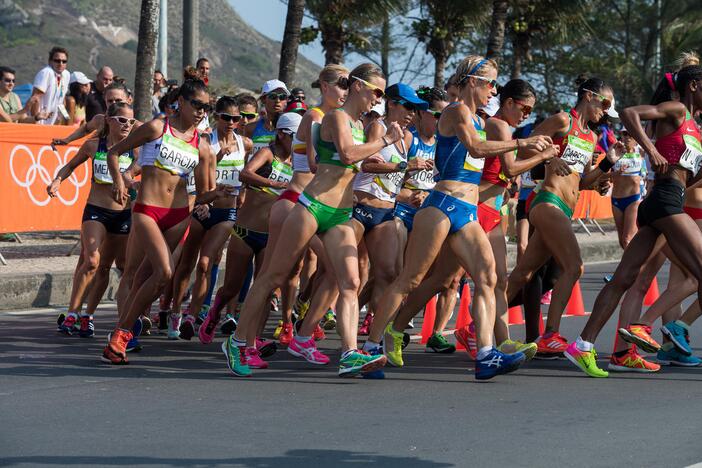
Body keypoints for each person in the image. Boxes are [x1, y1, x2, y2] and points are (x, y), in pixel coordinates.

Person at [366, 55, 551, 380]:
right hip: (441, 204)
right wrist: (524, 142)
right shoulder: (456, 111)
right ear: (472, 82)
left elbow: (484, 151)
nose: (493, 90)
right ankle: (369, 348)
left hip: (466, 210)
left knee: (488, 277)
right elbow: (476, 149)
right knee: (410, 279)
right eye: (490, 83)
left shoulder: (480, 119)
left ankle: (485, 355)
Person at [223, 63, 401, 378]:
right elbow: (347, 154)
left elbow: (347, 161)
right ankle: (236, 342)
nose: (379, 98)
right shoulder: (335, 116)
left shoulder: (359, 124)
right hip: (313, 206)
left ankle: (348, 353)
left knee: (349, 282)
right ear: (358, 86)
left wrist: (394, 164)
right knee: (273, 276)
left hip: (341, 213)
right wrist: (384, 142)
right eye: (377, 91)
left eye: (382, 94)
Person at [565, 64, 702, 378]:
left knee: (624, 279)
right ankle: (644, 326)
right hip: (665, 203)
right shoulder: (678, 109)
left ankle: (583, 345)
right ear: (693, 85)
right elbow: (629, 113)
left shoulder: (694, 126)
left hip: (665, 201)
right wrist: (651, 149)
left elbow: (688, 174)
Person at [101, 79, 222, 364]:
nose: (202, 112)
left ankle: (121, 336)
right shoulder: (158, 128)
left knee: (148, 277)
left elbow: (204, 194)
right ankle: (122, 334)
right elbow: (114, 152)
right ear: (181, 102)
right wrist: (120, 180)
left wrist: (224, 192)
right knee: (165, 273)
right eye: (197, 105)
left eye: (207, 108)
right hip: (147, 210)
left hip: (179, 215)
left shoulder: (202, 147)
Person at [504, 77, 623, 359]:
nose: (605, 111)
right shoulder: (562, 121)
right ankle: (551, 334)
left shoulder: (591, 137)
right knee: (575, 267)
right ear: (588, 96)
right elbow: (523, 146)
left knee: (523, 273)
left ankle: (474, 326)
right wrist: (547, 158)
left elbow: (581, 181)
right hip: (547, 201)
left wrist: (607, 166)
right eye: (604, 104)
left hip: (565, 209)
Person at [48, 103, 136, 338]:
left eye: (131, 122)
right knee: (92, 261)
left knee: (107, 266)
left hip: (123, 214)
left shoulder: (135, 150)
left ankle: (88, 315)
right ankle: (72, 313)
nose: (127, 125)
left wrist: (132, 181)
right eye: (122, 120)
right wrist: (57, 180)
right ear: (108, 120)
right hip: (96, 210)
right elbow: (70, 166)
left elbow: (147, 173)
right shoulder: (93, 145)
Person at [172, 96, 252, 341]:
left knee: (205, 263)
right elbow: (191, 174)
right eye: (225, 117)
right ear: (216, 117)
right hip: (203, 208)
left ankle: (192, 315)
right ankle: (174, 312)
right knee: (186, 263)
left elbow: (247, 174)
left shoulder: (245, 144)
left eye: (235, 118)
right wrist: (218, 155)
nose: (230, 122)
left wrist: (243, 197)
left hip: (226, 213)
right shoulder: (205, 142)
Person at [244, 79, 289, 155]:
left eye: (282, 97)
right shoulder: (250, 129)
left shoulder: (291, 129)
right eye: (273, 96)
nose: (278, 100)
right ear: (263, 99)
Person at [29, 46, 70, 125]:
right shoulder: (46, 73)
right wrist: (35, 121)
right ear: (50, 61)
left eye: (64, 61)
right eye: (57, 61)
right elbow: (35, 98)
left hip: (52, 123)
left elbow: (62, 99)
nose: (61, 63)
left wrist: (61, 118)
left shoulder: (66, 74)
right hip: (39, 122)